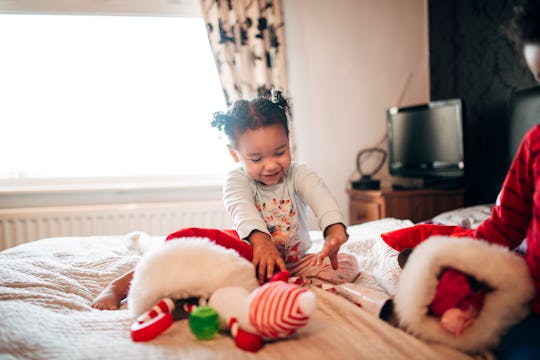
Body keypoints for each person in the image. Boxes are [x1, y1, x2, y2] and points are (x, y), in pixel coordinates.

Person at [92, 90, 359, 310]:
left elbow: (320, 196)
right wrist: (261, 241)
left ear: (289, 141)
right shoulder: (236, 179)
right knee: (186, 247)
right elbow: (241, 210)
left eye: (279, 152)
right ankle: (119, 286)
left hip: (292, 262)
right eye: (256, 159)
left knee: (348, 266)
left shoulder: (299, 173)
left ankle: (275, 280)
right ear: (235, 155)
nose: (270, 165)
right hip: (247, 253)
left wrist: (334, 228)